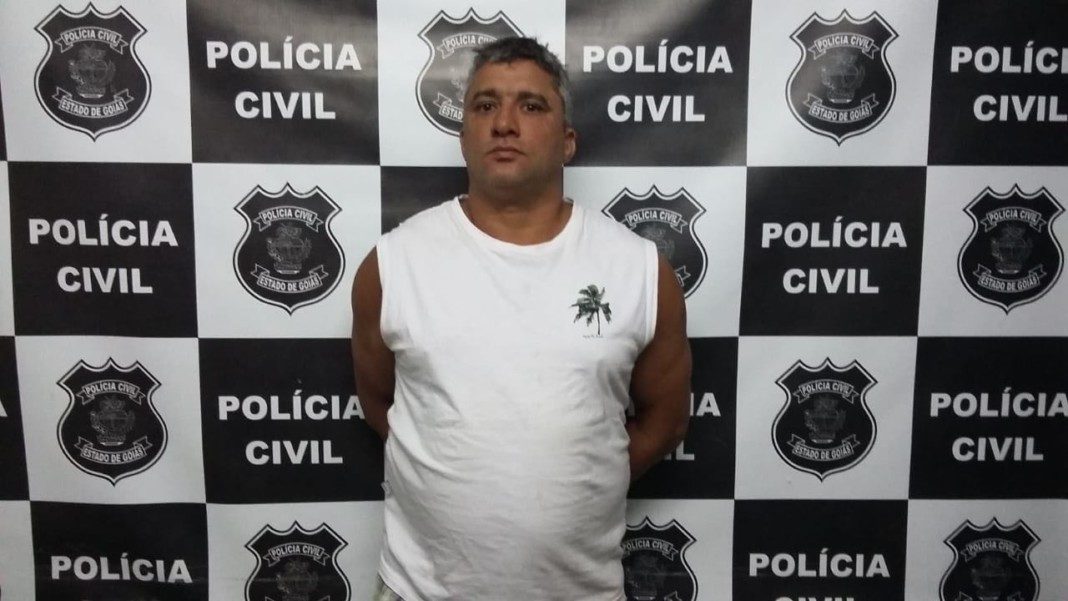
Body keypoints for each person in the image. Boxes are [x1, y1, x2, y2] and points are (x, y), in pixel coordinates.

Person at [351, 36, 691, 601]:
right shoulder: (392, 265)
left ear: (568, 141)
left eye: (531, 106)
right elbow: (381, 401)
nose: (504, 123)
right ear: (463, 137)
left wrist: (582, 478)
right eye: (485, 105)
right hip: (421, 590)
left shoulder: (638, 269)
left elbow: (666, 421)